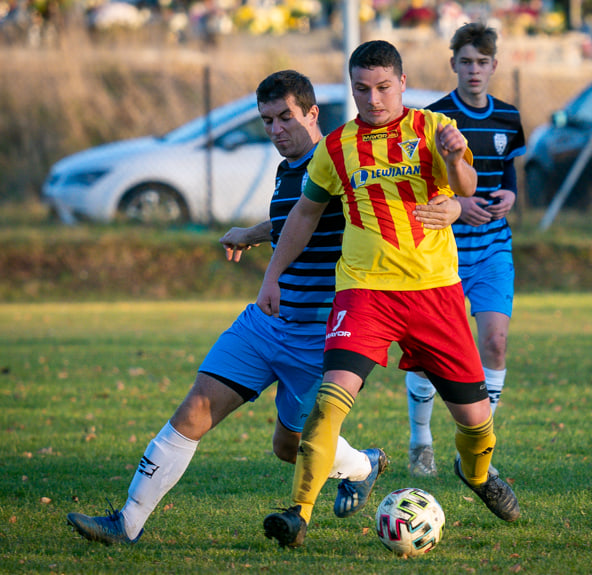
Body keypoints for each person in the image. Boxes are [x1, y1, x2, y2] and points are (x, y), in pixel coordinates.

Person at [65, 70, 461, 545]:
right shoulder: (287, 169)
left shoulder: (341, 160)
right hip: (265, 323)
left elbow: (386, 204)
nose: (276, 130)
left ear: (312, 114)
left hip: (320, 336)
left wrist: (454, 205)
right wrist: (254, 234)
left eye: (285, 118)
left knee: (288, 446)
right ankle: (126, 523)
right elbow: (294, 218)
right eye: (267, 120)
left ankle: (362, 465)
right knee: (195, 409)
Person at [257, 40, 520, 549]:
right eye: (361, 89)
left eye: (382, 87)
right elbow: (304, 215)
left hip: (434, 293)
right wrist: (271, 274)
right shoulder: (337, 147)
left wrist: (456, 156)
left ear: (401, 82)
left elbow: (465, 188)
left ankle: (479, 476)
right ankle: (298, 513)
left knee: (475, 421)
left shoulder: (432, 129)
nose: (373, 99)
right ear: (352, 87)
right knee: (330, 402)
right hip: (364, 293)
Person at [405, 22, 527, 477]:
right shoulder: (435, 118)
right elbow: (421, 186)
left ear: (494, 66)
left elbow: (508, 171)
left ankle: (477, 449)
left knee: (494, 343)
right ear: (453, 64)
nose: (474, 70)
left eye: (482, 62)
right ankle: (421, 439)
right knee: (426, 351)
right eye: (466, 62)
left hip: (494, 248)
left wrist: (510, 196)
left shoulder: (509, 117)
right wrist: (459, 204)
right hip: (443, 253)